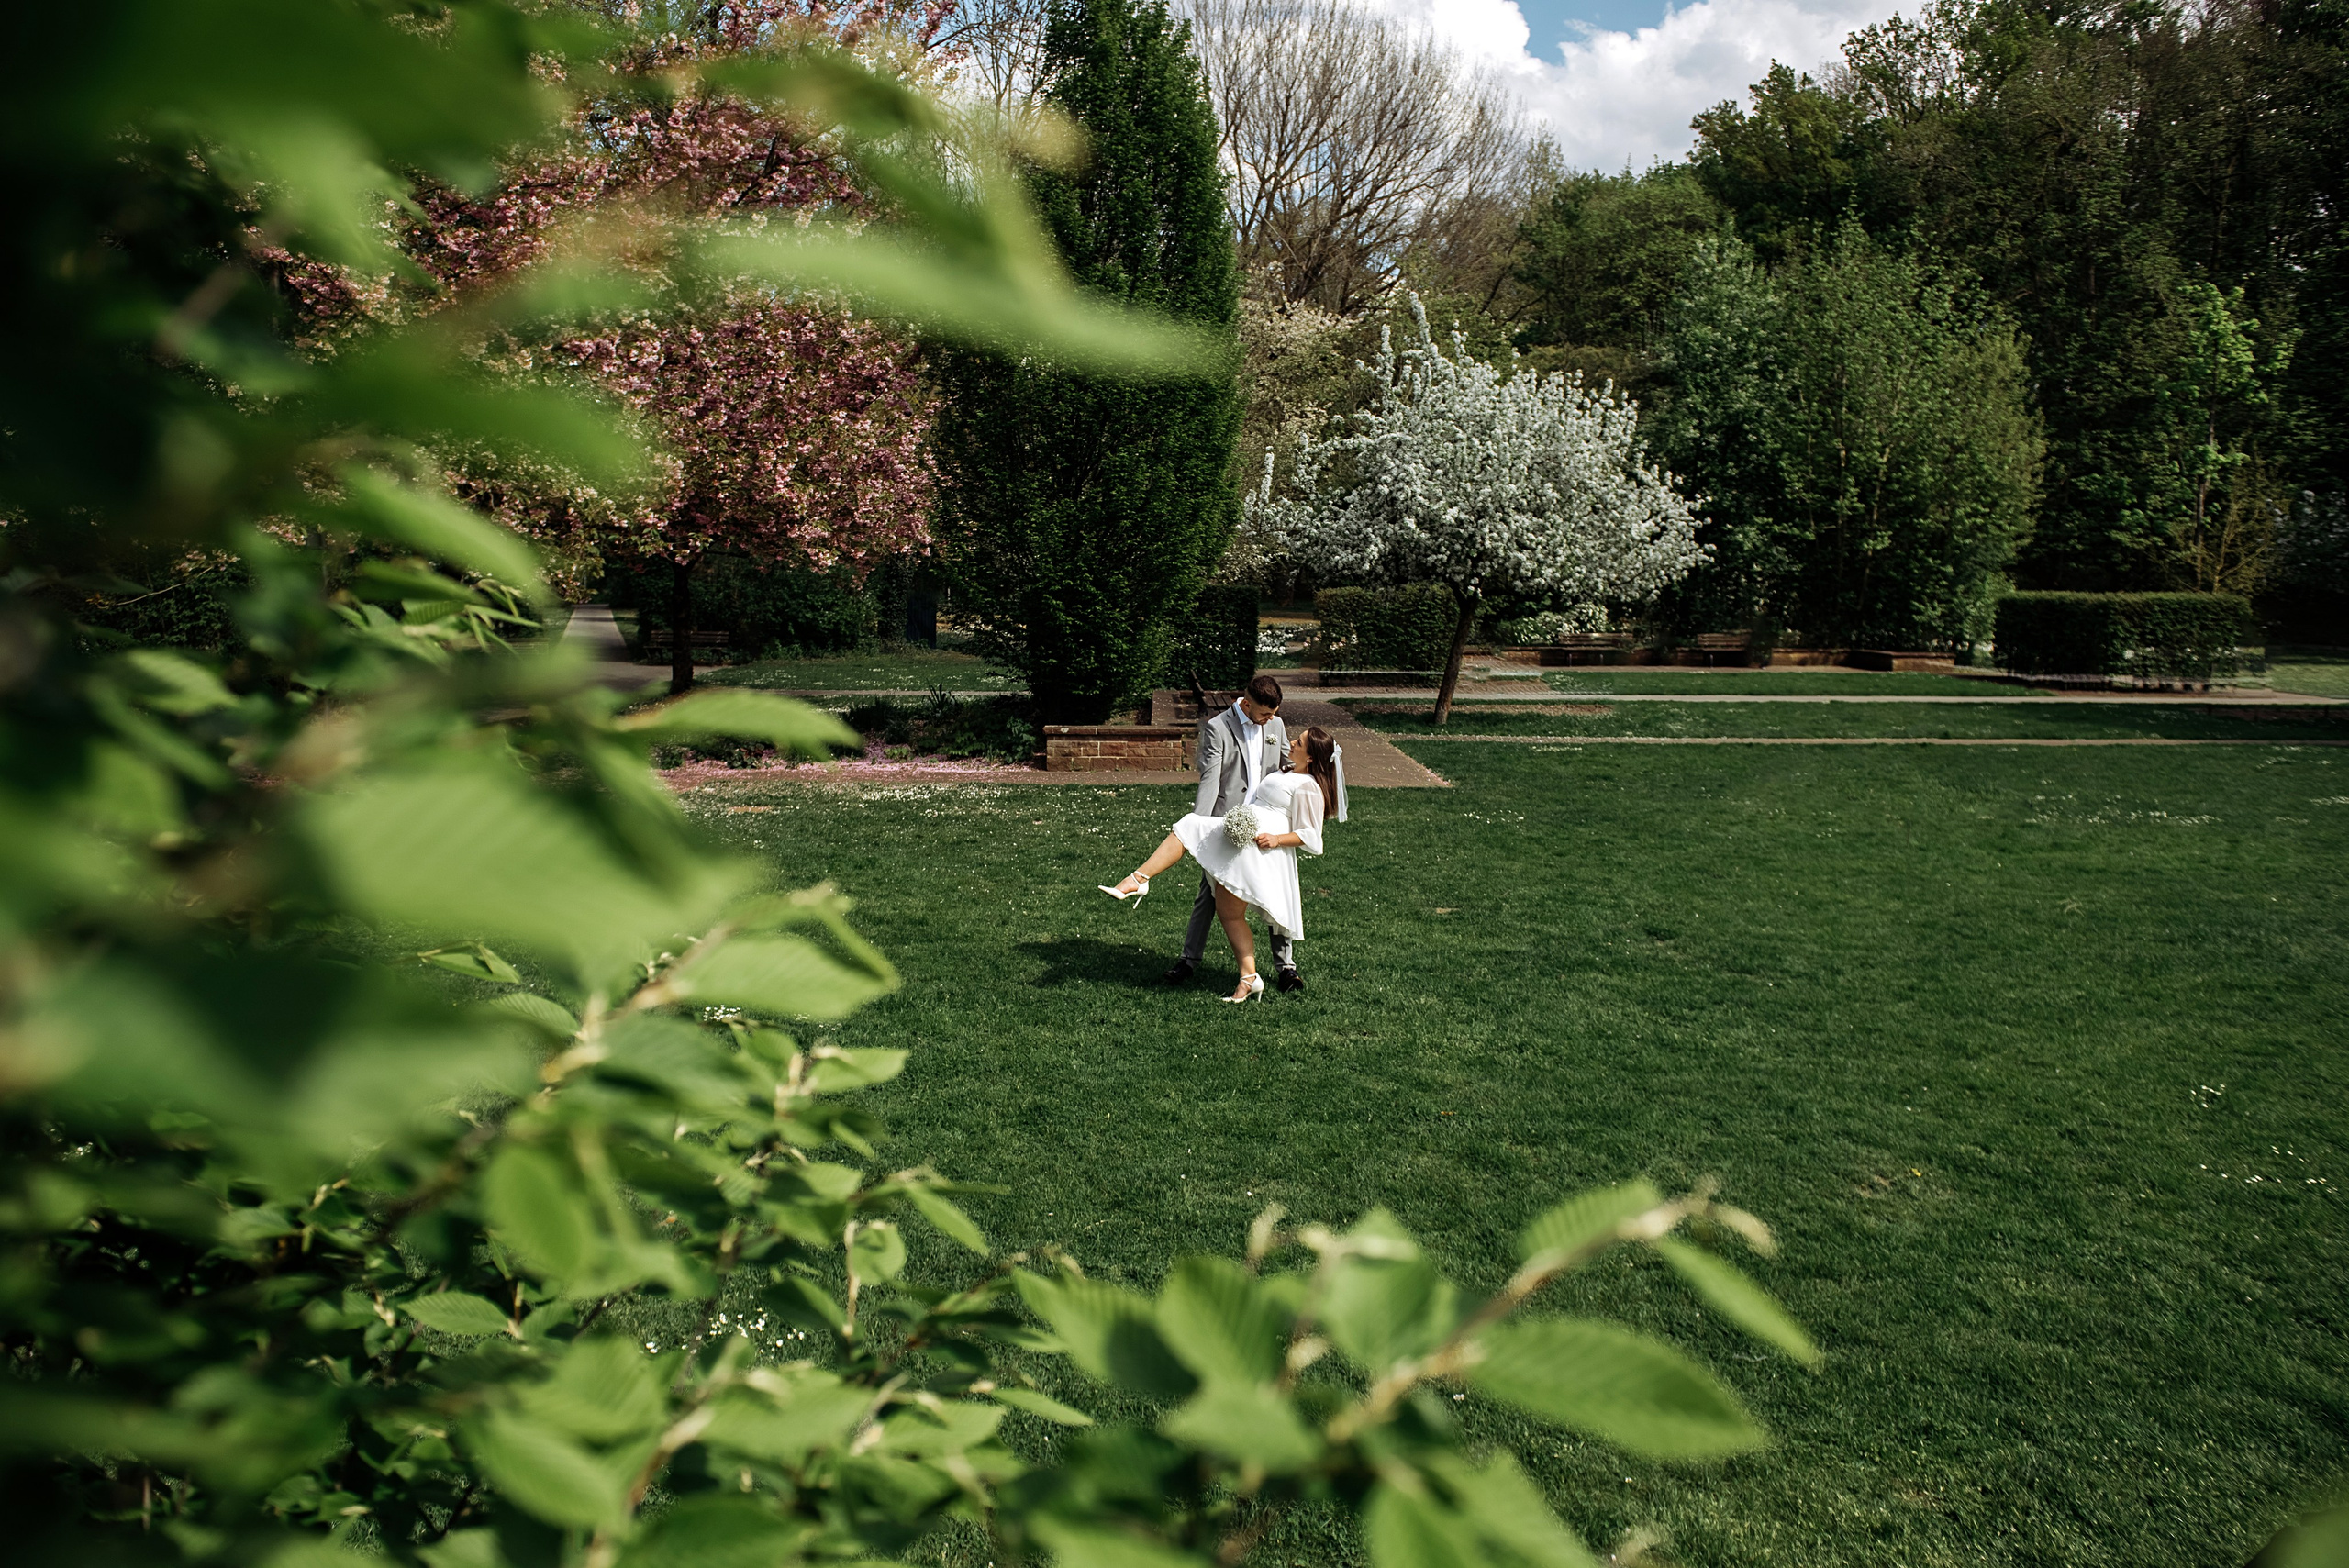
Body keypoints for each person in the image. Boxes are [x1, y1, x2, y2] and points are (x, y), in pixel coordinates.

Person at [1098, 726, 1345, 1002]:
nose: (1291, 742)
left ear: (1311, 758)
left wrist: (1276, 839)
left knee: (1188, 826)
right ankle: (1249, 978)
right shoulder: (1286, 771)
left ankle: (1138, 880)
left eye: (1298, 742)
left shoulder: (1309, 787)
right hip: (1241, 838)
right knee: (1228, 912)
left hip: (1258, 848)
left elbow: (1311, 836)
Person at [1170, 675, 1295, 991]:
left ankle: (1286, 967)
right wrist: (1198, 827)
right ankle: (1188, 960)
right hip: (1230, 824)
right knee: (1209, 895)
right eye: (1265, 714)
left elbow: (1287, 767)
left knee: (1275, 893)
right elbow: (1210, 780)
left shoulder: (1275, 726)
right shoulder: (1218, 727)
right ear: (1246, 702)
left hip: (1267, 824)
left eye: (1274, 713)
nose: (1270, 720)